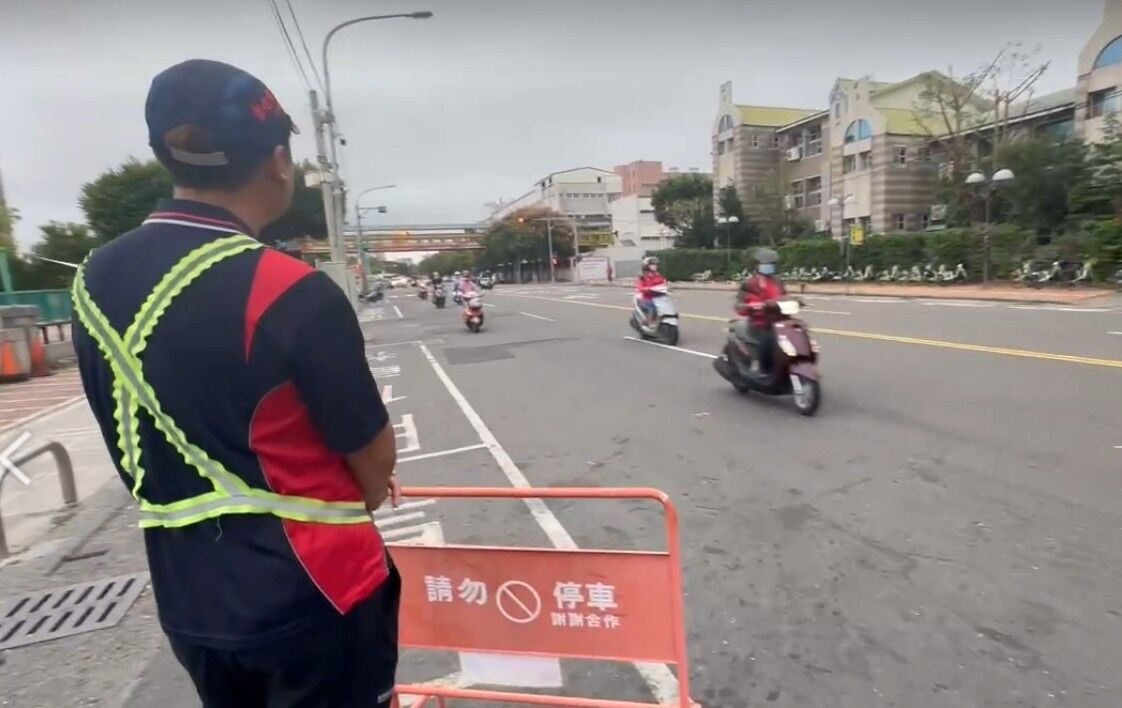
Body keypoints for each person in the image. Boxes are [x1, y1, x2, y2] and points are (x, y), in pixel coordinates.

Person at [71, 59, 400, 708]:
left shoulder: (91, 281)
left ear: (167, 155)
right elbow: (373, 462)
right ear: (278, 162)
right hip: (317, 591)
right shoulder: (290, 288)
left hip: (189, 596)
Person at [733, 255, 787, 375]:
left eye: (771, 264)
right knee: (767, 338)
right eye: (765, 264)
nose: (769, 267)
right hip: (759, 323)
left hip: (779, 321)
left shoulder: (778, 282)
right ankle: (758, 363)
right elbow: (738, 306)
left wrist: (795, 301)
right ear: (758, 266)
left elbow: (785, 297)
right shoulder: (748, 284)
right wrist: (751, 306)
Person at [635, 256, 667, 326]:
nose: (655, 266)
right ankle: (647, 323)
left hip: (658, 297)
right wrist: (648, 289)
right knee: (653, 308)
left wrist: (667, 287)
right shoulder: (642, 277)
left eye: (656, 264)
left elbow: (663, 284)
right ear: (646, 266)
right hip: (647, 298)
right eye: (652, 264)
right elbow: (640, 287)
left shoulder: (658, 275)